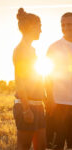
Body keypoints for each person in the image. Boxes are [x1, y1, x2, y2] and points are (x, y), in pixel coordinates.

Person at [13, 8, 46, 150]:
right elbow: (19, 81)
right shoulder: (20, 50)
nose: (41, 31)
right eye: (39, 27)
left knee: (42, 146)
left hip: (38, 105)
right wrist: (26, 109)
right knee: (24, 147)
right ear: (32, 27)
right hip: (27, 106)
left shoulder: (31, 49)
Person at [46, 12, 72, 150]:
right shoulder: (54, 47)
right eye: (63, 25)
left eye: (69, 24)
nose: (66, 27)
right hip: (58, 105)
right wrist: (50, 99)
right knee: (56, 146)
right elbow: (47, 76)